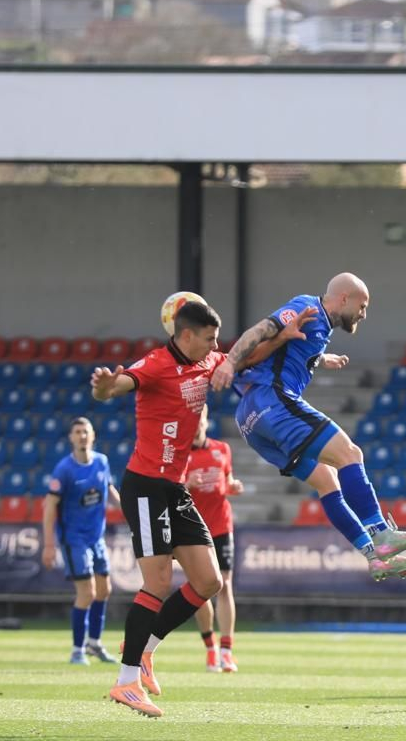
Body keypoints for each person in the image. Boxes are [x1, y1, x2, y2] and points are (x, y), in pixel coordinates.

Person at [89, 297, 302, 717]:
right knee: (157, 581)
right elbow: (117, 387)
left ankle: (145, 650)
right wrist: (103, 387)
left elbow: (248, 355)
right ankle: (126, 681)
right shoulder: (154, 364)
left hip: (174, 487)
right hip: (146, 485)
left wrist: (286, 340)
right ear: (185, 335)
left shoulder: (206, 362)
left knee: (209, 582)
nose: (215, 345)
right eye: (209, 338)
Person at [210, 272, 406, 581]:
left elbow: (289, 348)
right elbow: (261, 329)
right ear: (343, 298)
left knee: (328, 482)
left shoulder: (318, 328)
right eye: (362, 305)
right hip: (270, 401)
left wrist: (319, 358)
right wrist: (229, 363)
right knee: (350, 454)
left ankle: (374, 556)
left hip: (250, 422)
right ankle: (381, 534)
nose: (364, 314)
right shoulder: (307, 307)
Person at [42, 416, 123, 666]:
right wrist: (48, 544)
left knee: (105, 589)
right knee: (86, 592)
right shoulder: (64, 469)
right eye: (77, 432)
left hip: (95, 537)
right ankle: (77, 649)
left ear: (93, 435)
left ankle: (95, 644)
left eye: (85, 431)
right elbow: (49, 507)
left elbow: (109, 490)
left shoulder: (102, 462)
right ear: (71, 437)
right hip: (73, 539)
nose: (82, 436)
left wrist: (129, 511)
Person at [187, 405, 243, 673]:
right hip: (193, 529)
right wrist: (187, 485)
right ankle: (209, 647)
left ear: (206, 420)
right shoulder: (179, 454)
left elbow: (228, 478)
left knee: (225, 585)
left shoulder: (222, 449)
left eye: (201, 418)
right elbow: (169, 490)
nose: (197, 423)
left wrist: (233, 485)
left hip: (221, 525)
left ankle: (226, 650)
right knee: (200, 589)